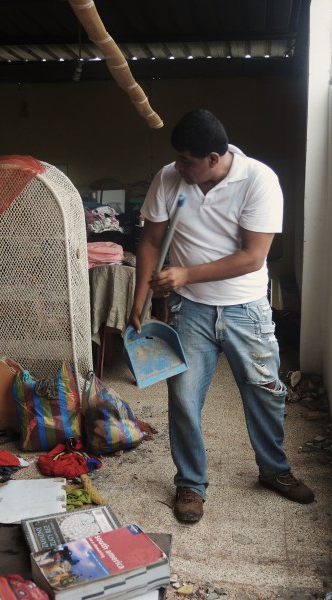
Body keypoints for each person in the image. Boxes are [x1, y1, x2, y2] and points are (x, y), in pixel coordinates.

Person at [129, 109, 314, 523]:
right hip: (189, 309)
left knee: (265, 391)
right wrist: (139, 298)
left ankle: (275, 471)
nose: (179, 166)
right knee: (183, 397)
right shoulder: (169, 178)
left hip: (246, 308)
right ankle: (190, 485)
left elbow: (253, 257)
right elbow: (150, 241)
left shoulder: (258, 180)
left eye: (188, 160)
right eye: (177, 158)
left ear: (214, 157)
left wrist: (184, 274)